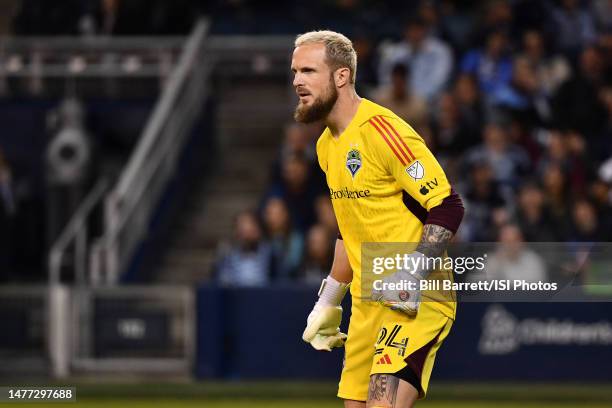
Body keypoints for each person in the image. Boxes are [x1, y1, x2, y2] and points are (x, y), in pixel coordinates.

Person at [292, 30, 464, 407]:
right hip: (367, 302)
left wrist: (412, 273)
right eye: (295, 71)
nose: (297, 81)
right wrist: (328, 302)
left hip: (414, 298)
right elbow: (348, 232)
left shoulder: (383, 131)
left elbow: (448, 206)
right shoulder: (326, 146)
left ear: (341, 76)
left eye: (308, 70)